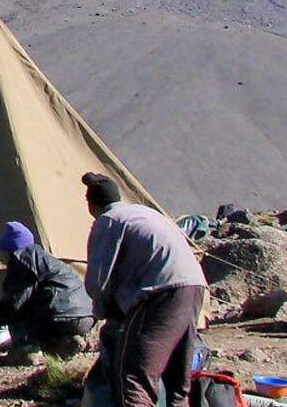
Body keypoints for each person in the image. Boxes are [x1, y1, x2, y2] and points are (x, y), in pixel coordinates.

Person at [83, 172, 208, 407]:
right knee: (177, 382)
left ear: (91, 204)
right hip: (194, 286)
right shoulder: (146, 213)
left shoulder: (108, 220)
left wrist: (102, 312)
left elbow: (97, 280)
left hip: (160, 293)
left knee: (132, 376)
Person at [0, 221, 94, 359]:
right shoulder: (46, 259)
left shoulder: (22, 262)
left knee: (22, 311)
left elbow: (13, 304)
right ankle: (65, 342)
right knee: (39, 305)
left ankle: (27, 348)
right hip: (85, 316)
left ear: (8, 249)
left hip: (60, 317)